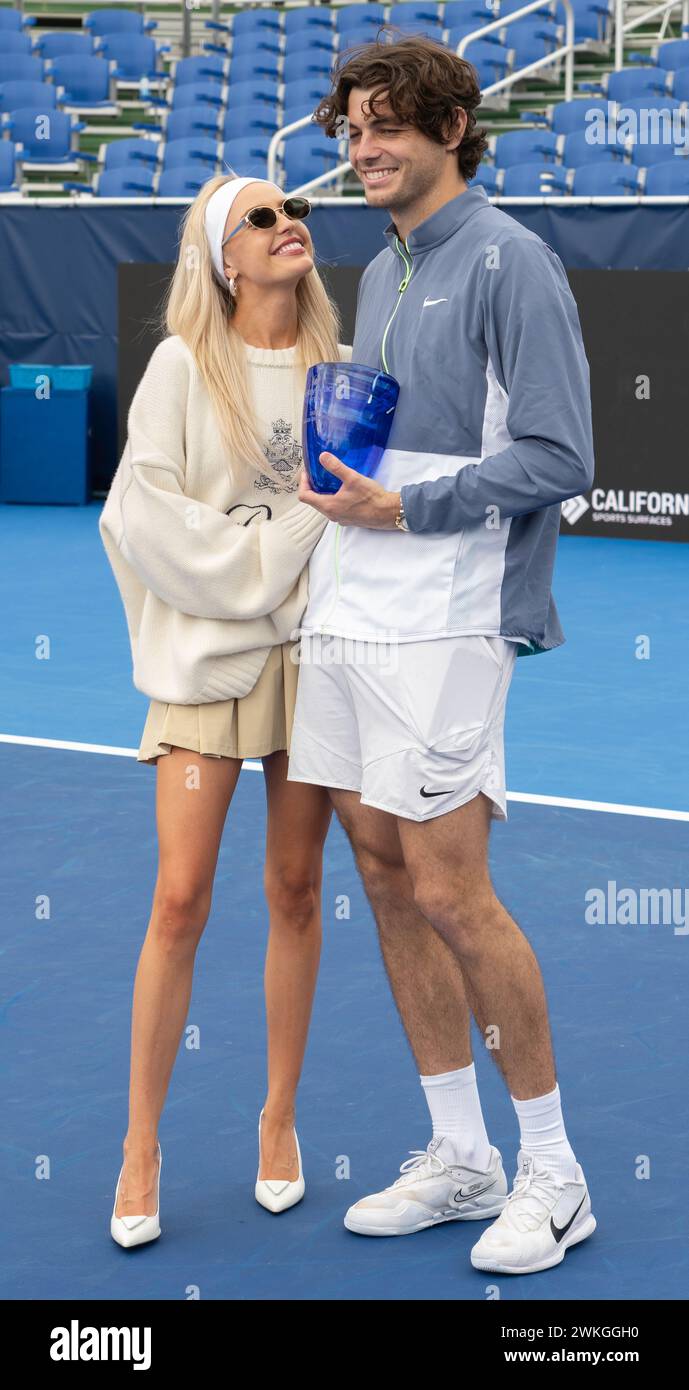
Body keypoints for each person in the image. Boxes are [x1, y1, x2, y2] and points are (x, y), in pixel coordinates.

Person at [287, 35, 597, 1275]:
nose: (364, 150)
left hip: (451, 620)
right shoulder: (384, 265)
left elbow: (562, 458)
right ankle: (459, 1153)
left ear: (455, 125)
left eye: (388, 129)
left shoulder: (512, 261)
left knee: (452, 890)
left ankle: (556, 1175)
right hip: (354, 610)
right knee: (382, 871)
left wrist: (406, 508)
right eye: (353, 131)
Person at [99, 173, 352, 1246]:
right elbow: (142, 520)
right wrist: (270, 558)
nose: (286, 220)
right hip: (210, 667)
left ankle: (279, 1120)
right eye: (259, 216)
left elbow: (359, 524)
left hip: (315, 666)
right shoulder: (176, 367)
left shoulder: (338, 371)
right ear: (223, 259)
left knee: (297, 889)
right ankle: (138, 1143)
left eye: (292, 206)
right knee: (179, 899)